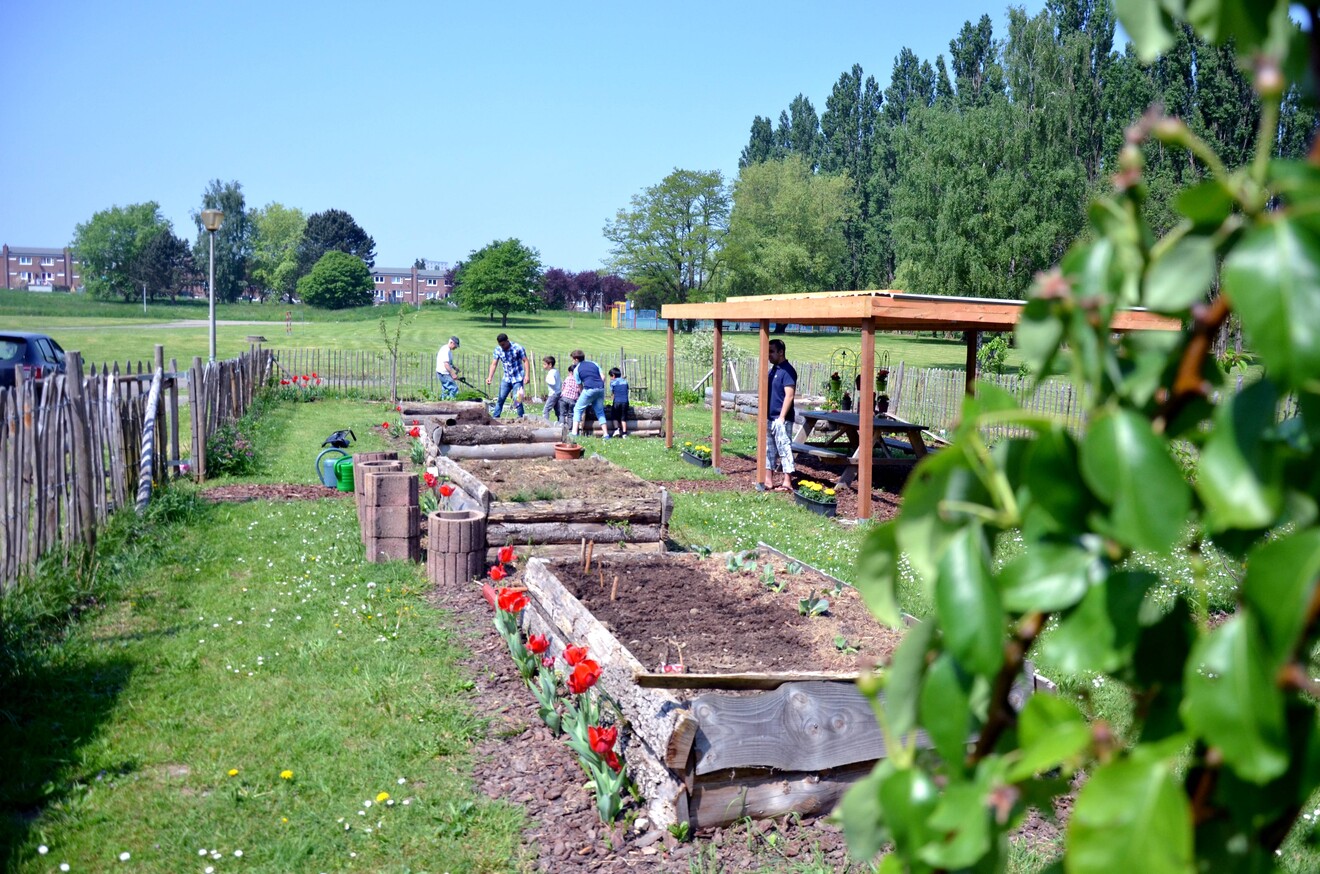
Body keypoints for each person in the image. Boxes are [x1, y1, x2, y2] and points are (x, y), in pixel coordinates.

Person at [766, 338, 797, 491]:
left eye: (771, 352)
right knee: (769, 450)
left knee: (784, 448)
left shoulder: (788, 371)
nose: (768, 355)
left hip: (781, 418)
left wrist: (782, 417)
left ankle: (787, 482)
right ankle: (768, 480)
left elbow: (789, 395)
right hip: (769, 417)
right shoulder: (773, 370)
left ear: (781, 352)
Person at [485, 333, 530, 418]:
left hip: (518, 378)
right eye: (500, 345)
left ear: (507, 341)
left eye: (503, 344)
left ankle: (521, 418)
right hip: (506, 379)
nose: (502, 346)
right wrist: (490, 377)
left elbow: (526, 361)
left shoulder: (518, 348)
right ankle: (495, 417)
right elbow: (494, 364)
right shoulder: (498, 350)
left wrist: (527, 376)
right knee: (500, 399)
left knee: (518, 400)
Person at [569, 350, 608, 438]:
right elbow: (603, 377)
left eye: (572, 359)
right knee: (600, 411)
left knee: (577, 409)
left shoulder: (577, 369)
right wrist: (599, 386)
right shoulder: (594, 363)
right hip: (600, 388)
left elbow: (579, 385)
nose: (572, 361)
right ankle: (606, 434)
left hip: (589, 389)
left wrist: (584, 394)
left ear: (576, 359)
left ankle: (574, 433)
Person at [607, 367, 630, 438]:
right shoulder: (625, 381)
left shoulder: (613, 382)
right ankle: (624, 433)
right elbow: (626, 390)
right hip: (625, 402)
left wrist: (612, 401)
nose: (610, 378)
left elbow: (613, 394)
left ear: (613, 375)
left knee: (614, 416)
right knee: (623, 418)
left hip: (617, 402)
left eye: (610, 376)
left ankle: (616, 429)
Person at [435, 336, 460, 400]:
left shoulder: (447, 349)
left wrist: (454, 367)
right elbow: (446, 364)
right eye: (455, 345)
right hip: (444, 373)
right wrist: (453, 374)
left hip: (441, 373)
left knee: (446, 390)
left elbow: (448, 362)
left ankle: (443, 403)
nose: (456, 347)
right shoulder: (446, 350)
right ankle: (452, 404)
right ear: (451, 342)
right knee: (454, 389)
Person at [542, 355, 562, 421]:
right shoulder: (556, 371)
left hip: (553, 394)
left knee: (546, 409)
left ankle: (545, 423)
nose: (543, 366)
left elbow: (552, 382)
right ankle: (561, 422)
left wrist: (547, 380)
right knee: (558, 410)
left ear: (550, 365)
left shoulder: (551, 373)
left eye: (544, 364)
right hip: (558, 392)